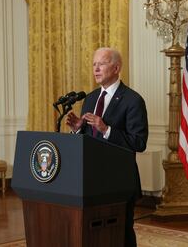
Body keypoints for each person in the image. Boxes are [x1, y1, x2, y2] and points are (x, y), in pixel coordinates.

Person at [66, 47, 148, 246]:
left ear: (116, 68)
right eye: (94, 64)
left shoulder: (133, 100)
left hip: (119, 180)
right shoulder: (91, 98)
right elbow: (88, 140)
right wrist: (79, 129)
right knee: (93, 232)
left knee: (121, 232)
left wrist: (106, 129)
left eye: (101, 64)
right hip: (91, 179)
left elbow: (139, 142)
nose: (96, 69)